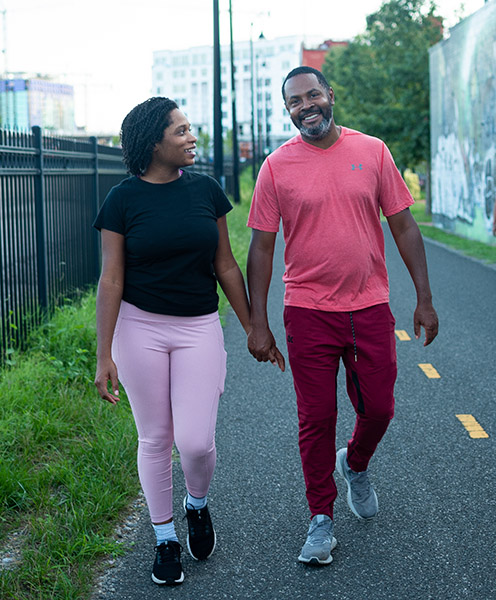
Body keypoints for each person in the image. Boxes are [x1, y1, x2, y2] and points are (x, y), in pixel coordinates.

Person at [246, 66, 439, 566]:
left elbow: (403, 226)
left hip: (370, 305)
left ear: (331, 95)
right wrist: (258, 322)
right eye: (295, 101)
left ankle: (354, 463)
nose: (306, 106)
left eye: (313, 95)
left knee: (379, 409)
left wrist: (424, 297)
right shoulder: (275, 167)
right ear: (286, 110)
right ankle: (320, 519)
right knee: (316, 418)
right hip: (307, 311)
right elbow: (262, 250)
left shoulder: (372, 151)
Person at [93, 97, 252, 586]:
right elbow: (112, 280)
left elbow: (225, 264)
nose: (191, 136)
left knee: (196, 442)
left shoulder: (206, 190)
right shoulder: (122, 199)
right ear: (153, 142)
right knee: (156, 438)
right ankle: (164, 539)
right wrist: (104, 356)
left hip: (198, 326)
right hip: (138, 328)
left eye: (190, 128)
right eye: (180, 130)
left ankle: (196, 504)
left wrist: (253, 328)